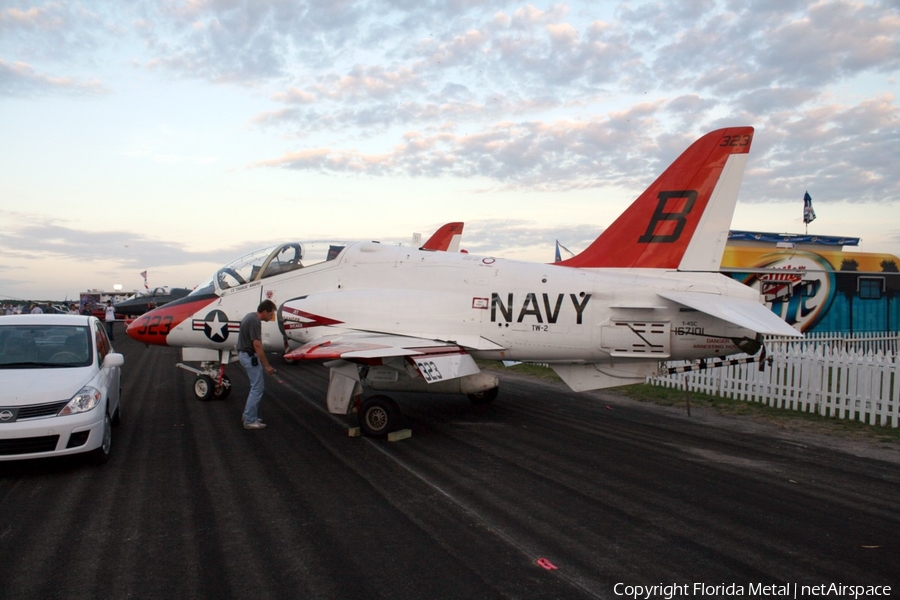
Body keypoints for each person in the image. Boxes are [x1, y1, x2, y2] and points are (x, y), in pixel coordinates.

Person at [237, 299, 277, 429]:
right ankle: (249, 420)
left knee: (255, 387)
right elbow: (257, 345)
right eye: (271, 314)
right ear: (264, 311)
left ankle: (248, 415)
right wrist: (267, 365)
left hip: (245, 354)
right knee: (257, 388)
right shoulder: (255, 322)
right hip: (249, 356)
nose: (272, 317)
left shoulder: (250, 316)